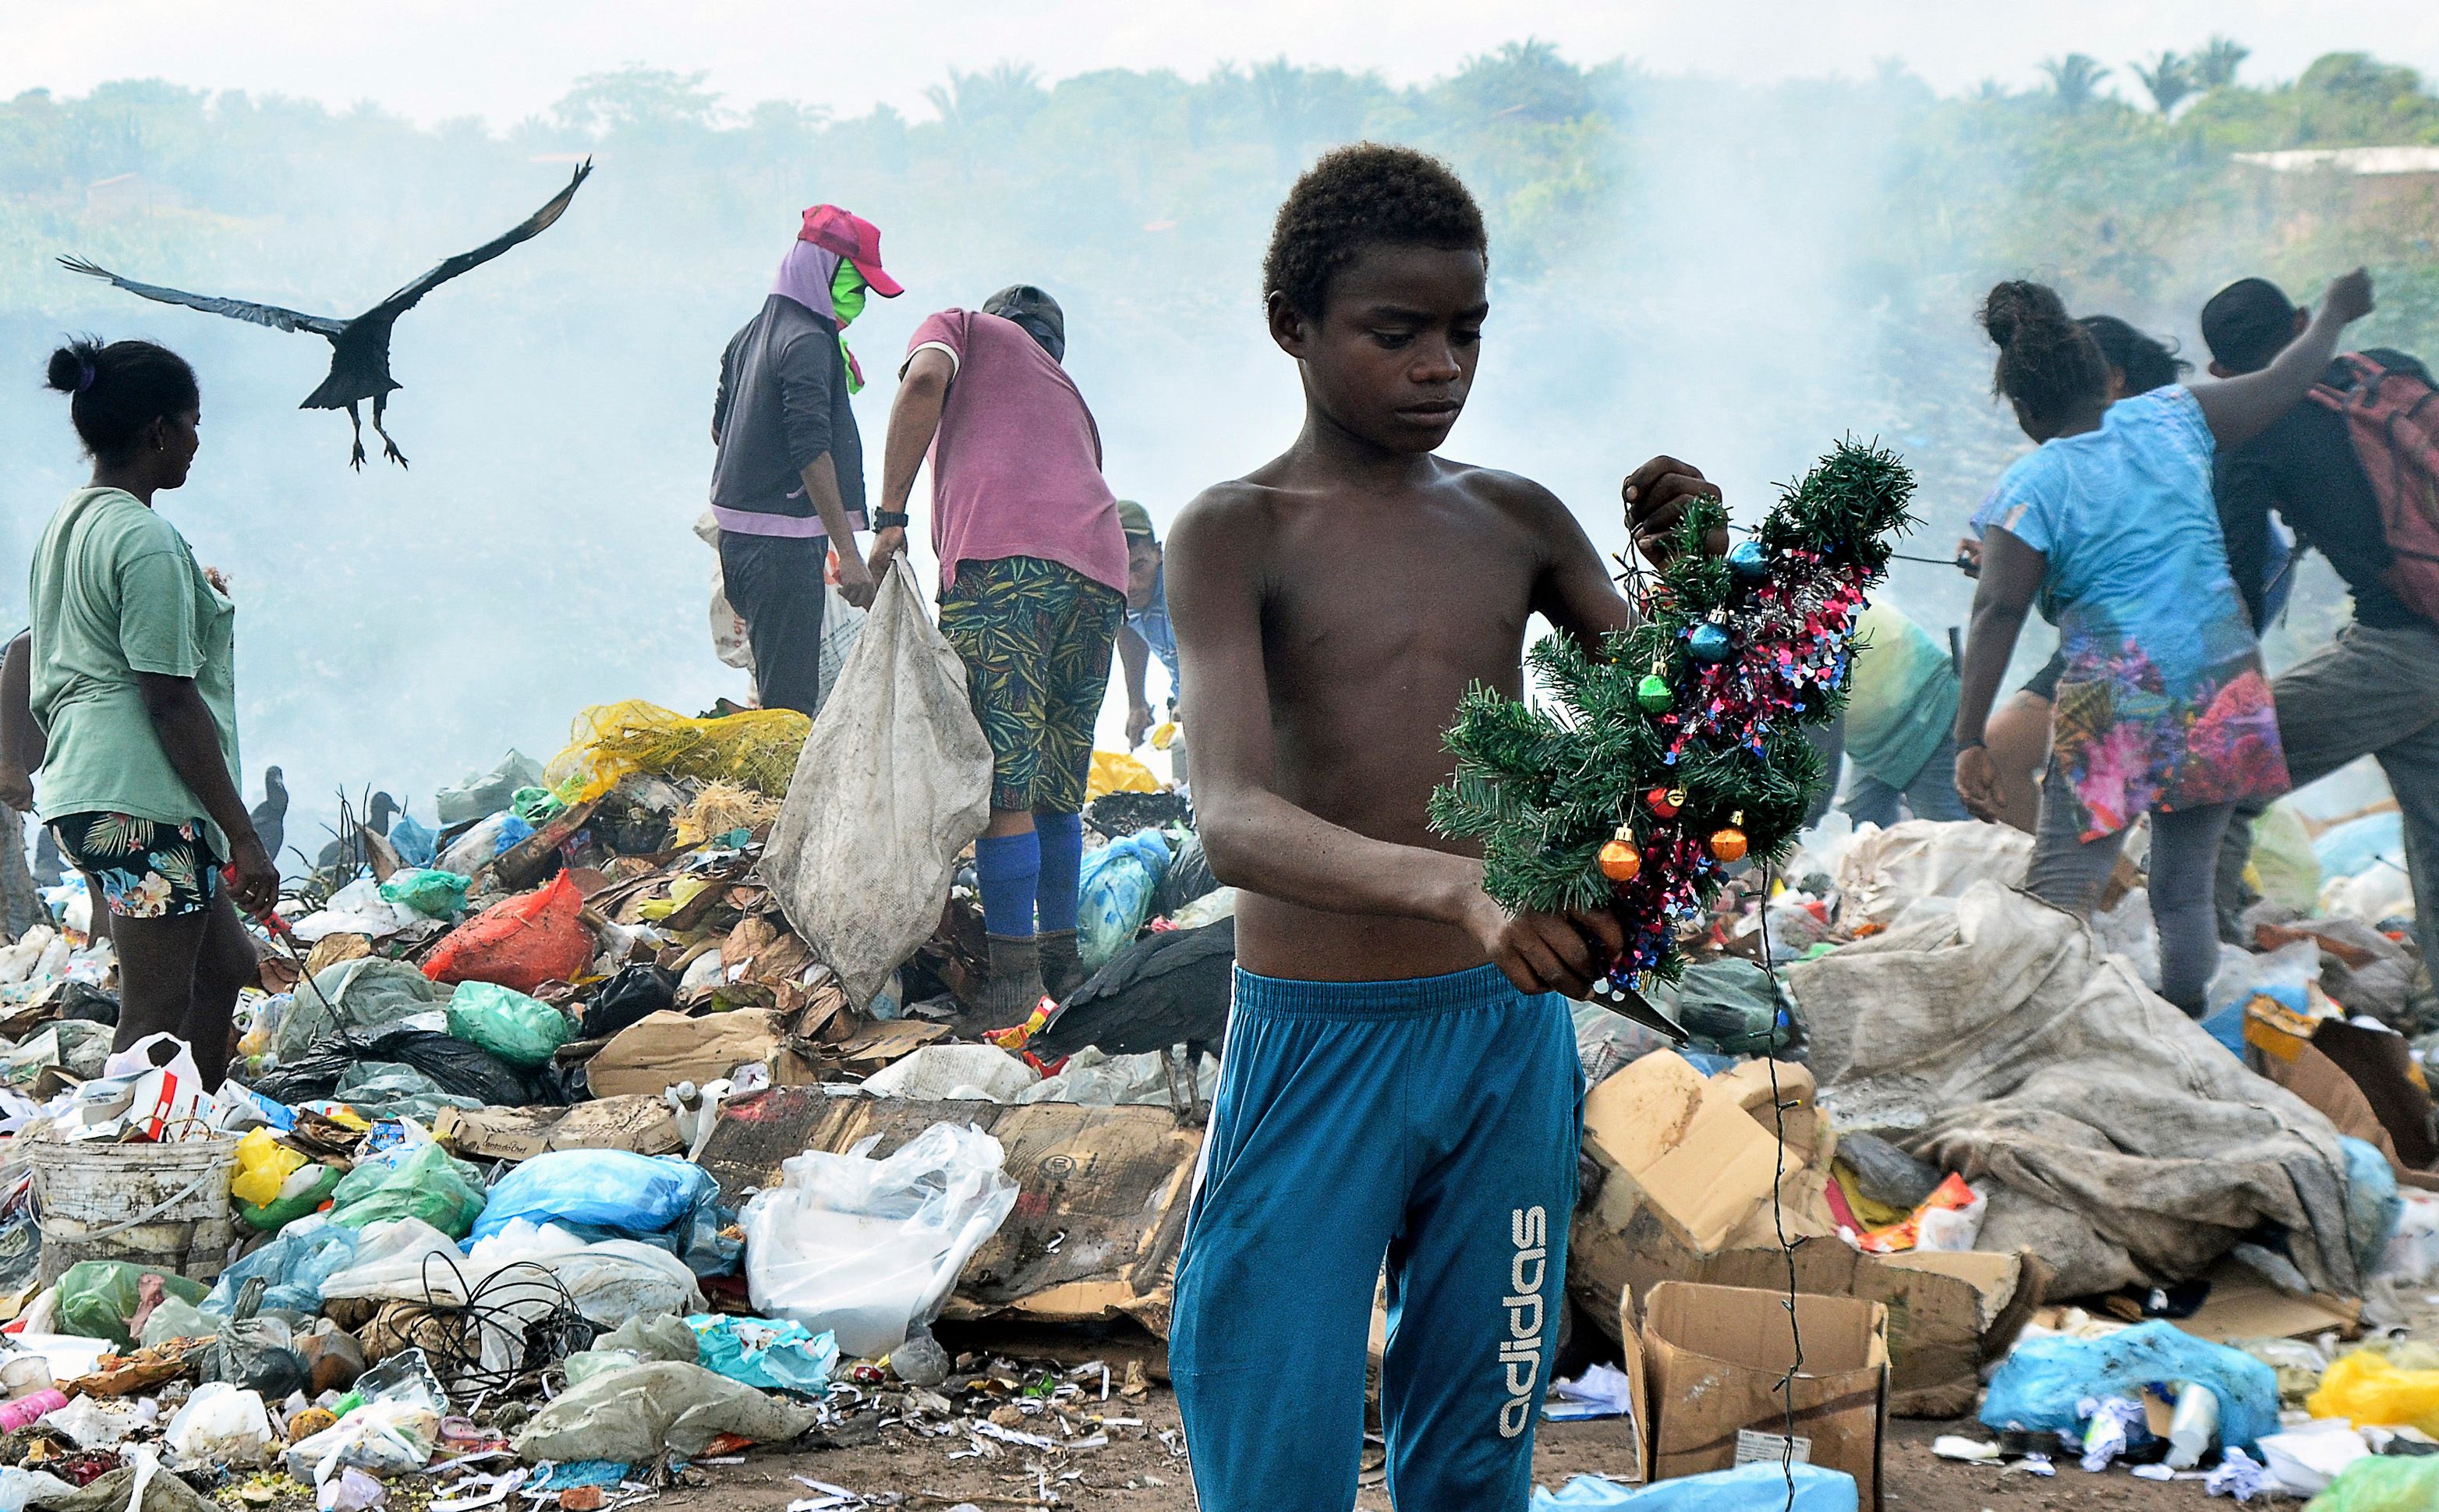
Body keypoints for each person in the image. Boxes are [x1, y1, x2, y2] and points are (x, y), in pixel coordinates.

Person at [1162, 143, 1715, 1512]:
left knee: (1479, 1432)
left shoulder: (1513, 516)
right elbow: (1229, 815)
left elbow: (1667, 721)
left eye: (1465, 331)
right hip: (1315, 1044)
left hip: (1499, 1041)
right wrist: (1465, 893)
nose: (1439, 366)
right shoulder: (1235, 531)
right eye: (1394, 333)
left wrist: (1701, 569)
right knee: (1270, 1426)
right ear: (1290, 328)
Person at [1952, 272, 2375, 1015]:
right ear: (2099, 378)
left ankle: (2041, 1028)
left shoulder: (2032, 482)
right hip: (2224, 681)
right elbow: (2284, 379)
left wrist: (1968, 739)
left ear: (2023, 409)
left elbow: (1998, 608)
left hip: (2121, 694)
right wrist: (2333, 315)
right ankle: (2182, 1022)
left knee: (2061, 893)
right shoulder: (2174, 415)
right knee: (2181, 891)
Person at [868, 284, 1129, 1017]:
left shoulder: (967, 328)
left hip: (1008, 569)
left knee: (1002, 778)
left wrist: (891, 517)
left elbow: (923, 379)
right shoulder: (1072, 401)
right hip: (1099, 576)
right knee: (1055, 782)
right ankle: (1063, 964)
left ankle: (1014, 984)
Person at [32, 338, 280, 1085]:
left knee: (227, 967)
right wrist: (243, 834)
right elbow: (169, 702)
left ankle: (187, 1131)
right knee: (151, 1014)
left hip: (92, 787)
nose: (199, 442)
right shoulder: (145, 539)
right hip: (140, 801)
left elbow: (46, 647)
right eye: (193, 423)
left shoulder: (73, 525)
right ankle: (112, 1177)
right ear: (158, 431)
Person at [2203, 275, 2439, 965]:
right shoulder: (2391, 369)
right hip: (2421, 639)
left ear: (2221, 373)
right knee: (2432, 826)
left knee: (2218, 780)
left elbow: (2238, 587)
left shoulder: (2250, 437)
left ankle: (2203, 976)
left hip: (2397, 649)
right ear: (2304, 321)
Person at [710, 204, 901, 716]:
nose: (860, 299)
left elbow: (719, 430)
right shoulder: (808, 342)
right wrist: (850, 554)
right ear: (823, 269)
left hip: (741, 544)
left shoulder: (750, 334)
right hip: (780, 554)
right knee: (790, 708)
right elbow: (810, 450)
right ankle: (779, 797)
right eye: (856, 285)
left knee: (779, 688)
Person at [1836, 600, 1968, 828]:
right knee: (1860, 828)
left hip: (1927, 714)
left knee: (1944, 836)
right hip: (1875, 741)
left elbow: (1820, 753)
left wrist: (1804, 826)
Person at [1113, 500, 1178, 751]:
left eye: (1139, 566)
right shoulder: (1118, 596)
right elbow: (1127, 628)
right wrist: (1137, 704)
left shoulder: (1182, 583)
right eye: (1118, 568)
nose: (1131, 584)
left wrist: (1197, 701)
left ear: (1159, 553)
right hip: (1186, 702)